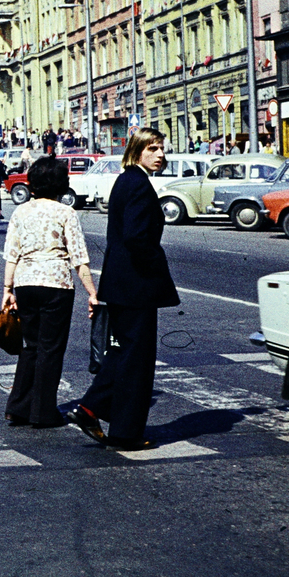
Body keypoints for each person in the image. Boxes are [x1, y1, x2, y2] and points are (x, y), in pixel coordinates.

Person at [70, 128, 180, 451]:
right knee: (137, 360)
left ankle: (91, 408)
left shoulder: (125, 180)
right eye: (153, 148)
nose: (160, 154)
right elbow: (136, 238)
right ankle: (126, 433)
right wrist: (155, 268)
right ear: (137, 150)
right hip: (136, 285)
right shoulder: (139, 185)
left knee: (123, 352)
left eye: (162, 148)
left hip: (120, 284)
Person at [0, 156, 99, 428]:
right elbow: (79, 257)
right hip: (56, 284)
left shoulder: (20, 212)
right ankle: (43, 412)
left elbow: (12, 254)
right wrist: (92, 292)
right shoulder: (66, 213)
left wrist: (7, 290)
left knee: (30, 346)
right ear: (61, 184)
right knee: (51, 349)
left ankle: (17, 407)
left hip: (25, 283)